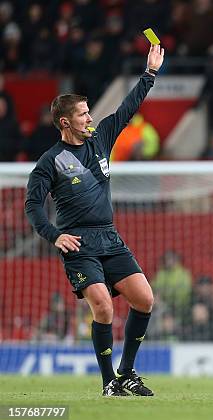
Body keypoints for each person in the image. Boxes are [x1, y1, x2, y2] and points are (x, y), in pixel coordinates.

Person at [24, 44, 164, 397]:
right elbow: (32, 206)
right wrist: (54, 235)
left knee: (145, 300)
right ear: (65, 122)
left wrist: (149, 74)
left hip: (109, 237)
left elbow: (128, 108)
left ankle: (127, 372)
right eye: (84, 114)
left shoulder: (101, 139)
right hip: (79, 244)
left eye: (89, 112)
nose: (90, 118)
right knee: (102, 305)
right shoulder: (50, 162)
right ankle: (108, 384)